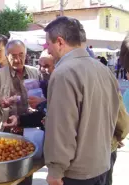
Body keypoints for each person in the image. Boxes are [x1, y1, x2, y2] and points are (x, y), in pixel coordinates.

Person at [43, 16, 120, 185]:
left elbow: (62, 128)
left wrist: (55, 171)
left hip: (77, 173)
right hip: (102, 164)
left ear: (60, 42)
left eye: (48, 44)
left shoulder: (63, 73)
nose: (47, 50)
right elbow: (116, 114)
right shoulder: (104, 70)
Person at [0, 39, 40, 132]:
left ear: (26, 55)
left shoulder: (35, 73)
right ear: (6, 56)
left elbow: (42, 99)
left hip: (29, 127)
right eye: (13, 56)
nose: (17, 60)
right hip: (5, 127)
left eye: (21, 55)